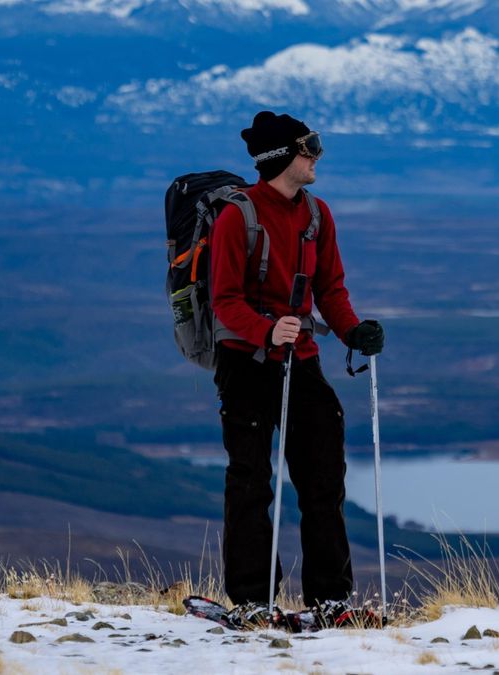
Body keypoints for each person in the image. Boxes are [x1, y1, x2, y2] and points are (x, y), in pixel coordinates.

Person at [210, 110, 385, 624]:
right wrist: (266, 330)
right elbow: (224, 300)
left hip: (301, 361)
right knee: (251, 481)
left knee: (323, 481)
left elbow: (329, 288)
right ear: (282, 157)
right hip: (246, 363)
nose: (317, 156)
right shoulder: (236, 217)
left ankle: (330, 600)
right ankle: (253, 599)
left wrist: (353, 330)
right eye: (309, 147)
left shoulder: (316, 214)